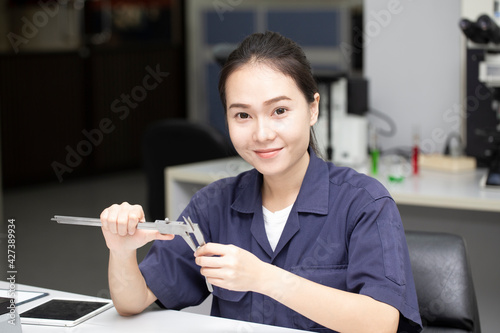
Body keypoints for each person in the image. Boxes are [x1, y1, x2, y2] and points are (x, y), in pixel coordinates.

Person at [100, 31, 423, 333]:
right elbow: (132, 302)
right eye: (242, 115)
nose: (262, 134)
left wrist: (264, 278)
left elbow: (380, 322)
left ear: (313, 109)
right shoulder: (213, 205)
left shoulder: (363, 202)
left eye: (279, 110)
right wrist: (121, 251)